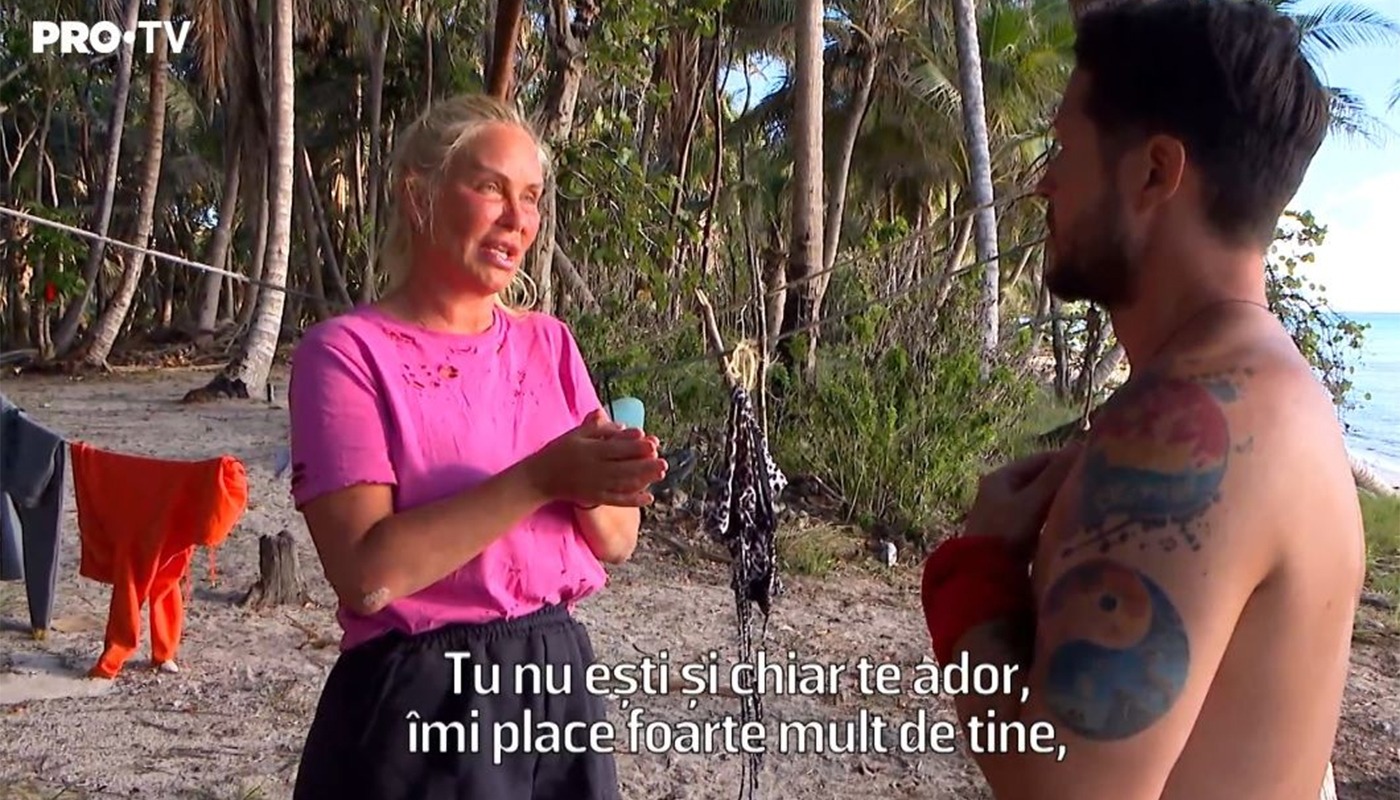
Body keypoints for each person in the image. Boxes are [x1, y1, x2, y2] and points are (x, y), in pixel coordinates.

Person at [918, 1, 1365, 798]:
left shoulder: (1184, 427)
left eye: (1065, 147)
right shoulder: (1284, 393)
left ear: (1156, 172)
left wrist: (974, 571)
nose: (1044, 182)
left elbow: (1057, 788)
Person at [285, 93, 667, 800]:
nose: (517, 218)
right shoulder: (345, 355)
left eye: (532, 196)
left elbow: (617, 541)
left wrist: (600, 478)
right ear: (419, 196)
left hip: (557, 681)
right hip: (423, 698)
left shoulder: (547, 343)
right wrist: (542, 478)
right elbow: (367, 574)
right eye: (490, 187)